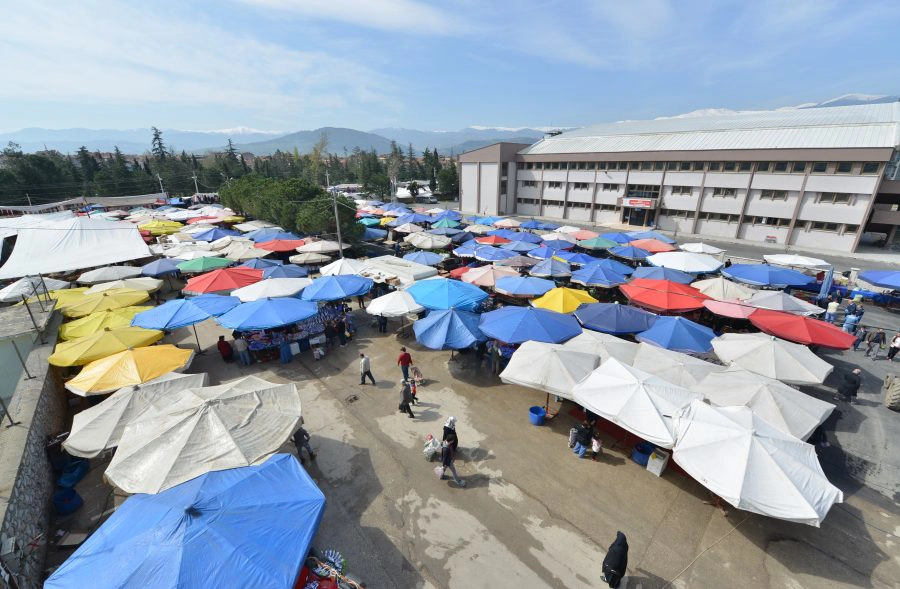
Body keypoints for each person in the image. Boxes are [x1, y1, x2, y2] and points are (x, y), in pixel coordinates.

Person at [440, 417, 466, 487]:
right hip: (448, 461)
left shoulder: (446, 443)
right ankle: (458, 481)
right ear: (451, 441)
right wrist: (444, 464)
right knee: (454, 471)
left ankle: (441, 476)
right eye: (453, 441)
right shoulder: (446, 448)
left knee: (444, 469)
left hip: (447, 460)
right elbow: (444, 457)